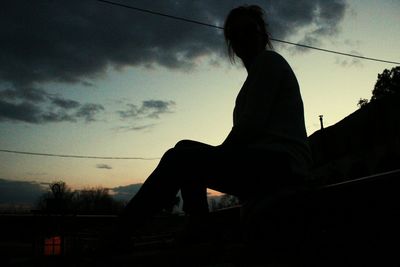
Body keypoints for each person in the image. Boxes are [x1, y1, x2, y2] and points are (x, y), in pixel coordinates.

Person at [120, 4, 312, 233]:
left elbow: (249, 127)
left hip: (281, 166)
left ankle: (122, 231)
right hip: (269, 164)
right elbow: (249, 131)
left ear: (263, 33)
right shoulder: (256, 77)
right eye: (235, 34)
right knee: (185, 150)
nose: (242, 38)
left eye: (249, 30)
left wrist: (217, 157)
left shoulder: (269, 62)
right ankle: (198, 223)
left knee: (181, 157)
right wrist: (212, 159)